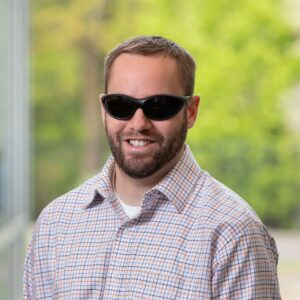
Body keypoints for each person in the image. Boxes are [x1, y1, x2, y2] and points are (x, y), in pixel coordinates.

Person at [24, 35, 281, 299]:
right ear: (104, 109)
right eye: (120, 105)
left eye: (159, 106)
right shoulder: (55, 224)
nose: (138, 123)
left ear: (190, 111)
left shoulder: (232, 233)